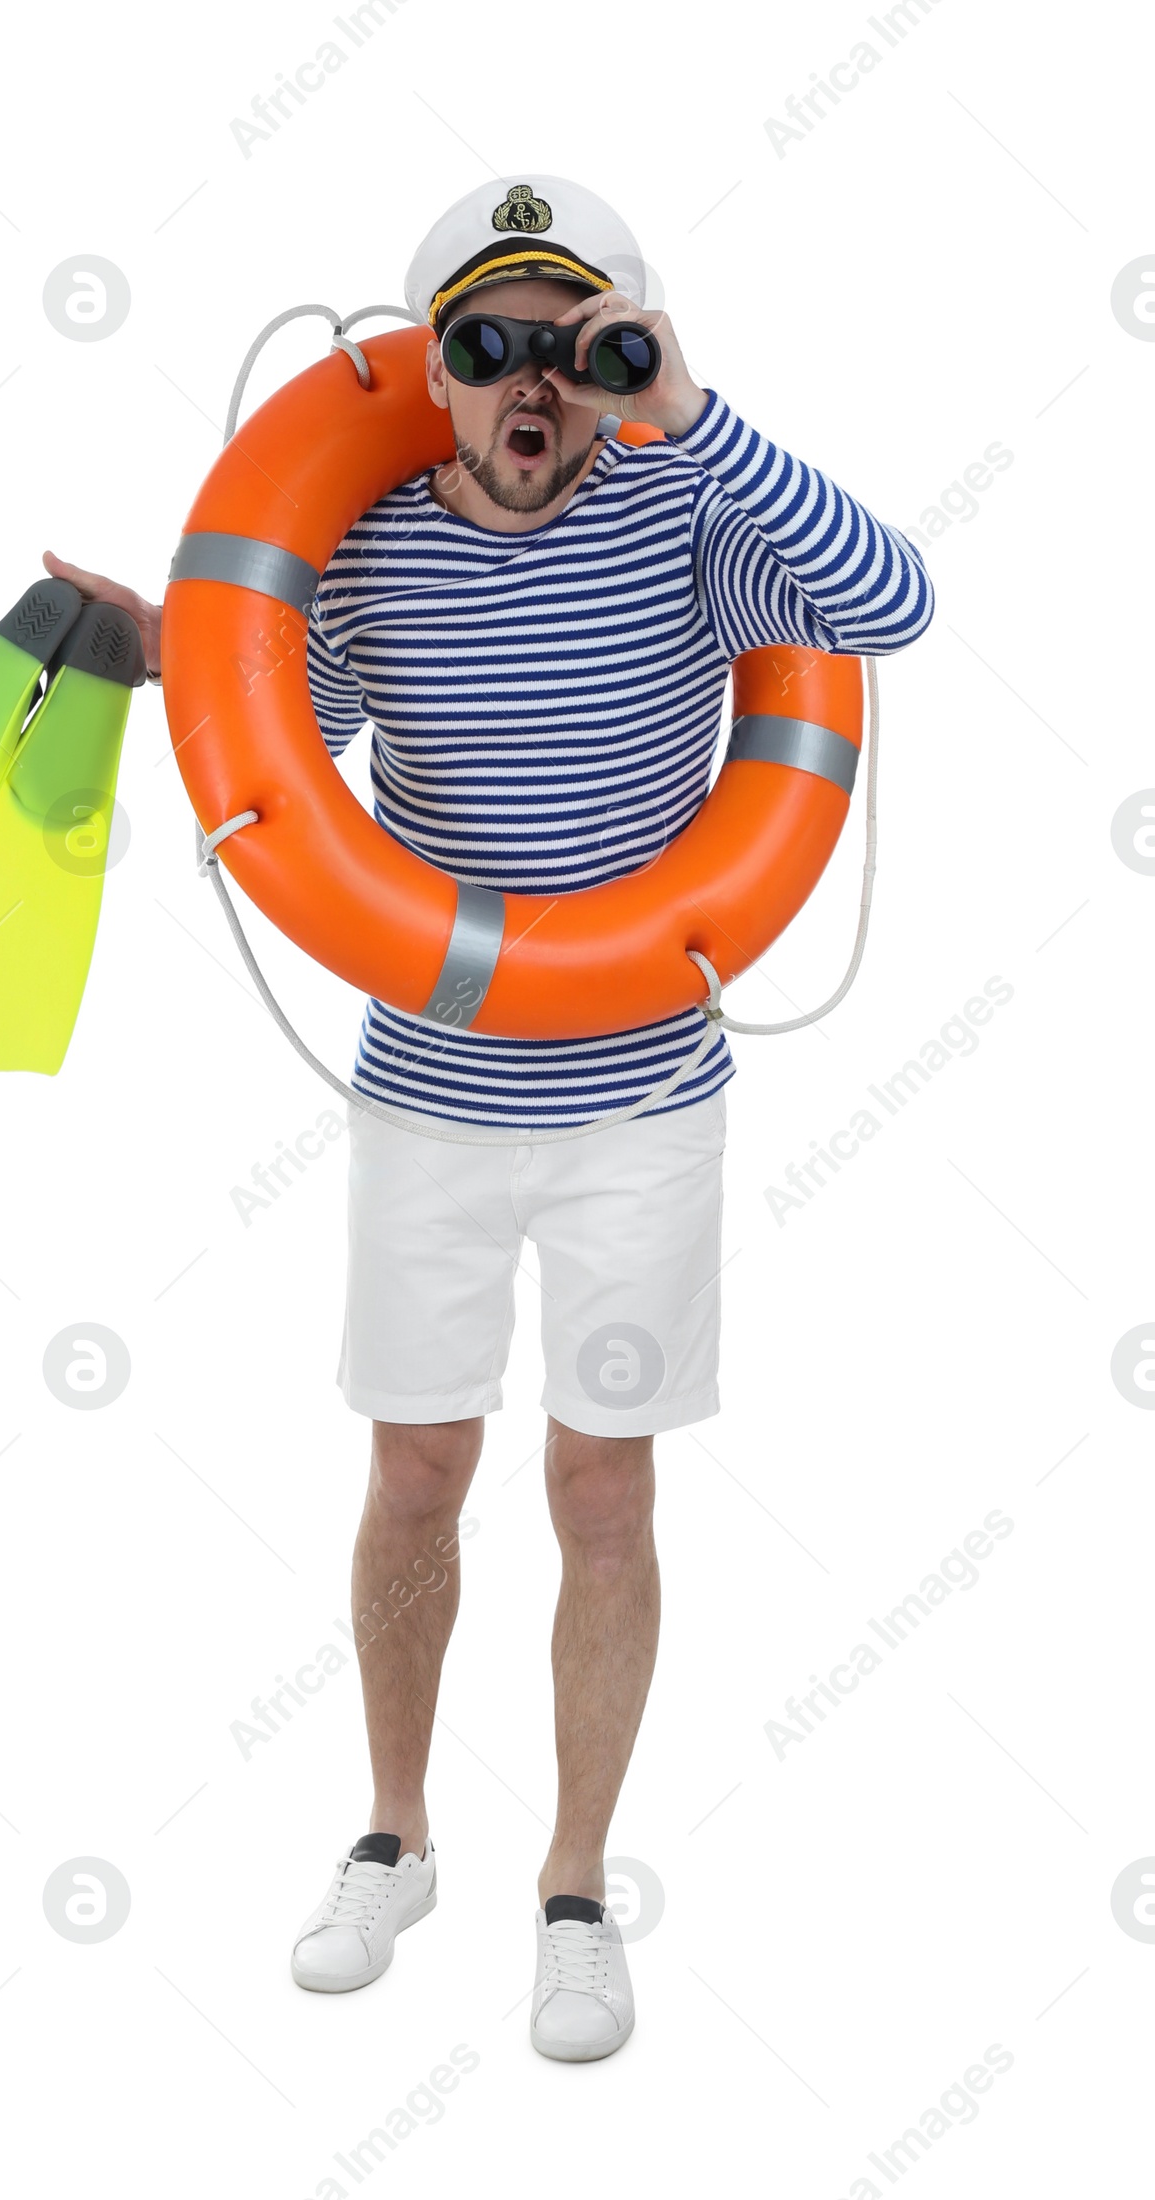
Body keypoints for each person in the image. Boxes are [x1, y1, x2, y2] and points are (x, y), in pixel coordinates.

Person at [45, 175, 933, 2062]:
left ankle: (578, 1889)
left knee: (601, 1484)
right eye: (490, 344)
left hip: (642, 1107)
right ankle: (393, 1837)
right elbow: (286, 747)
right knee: (418, 1478)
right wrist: (166, 653)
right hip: (430, 1108)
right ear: (430, 373)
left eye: (570, 342)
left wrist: (687, 410)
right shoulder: (366, 554)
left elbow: (897, 604)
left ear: (612, 361)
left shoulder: (691, 518)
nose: (531, 381)